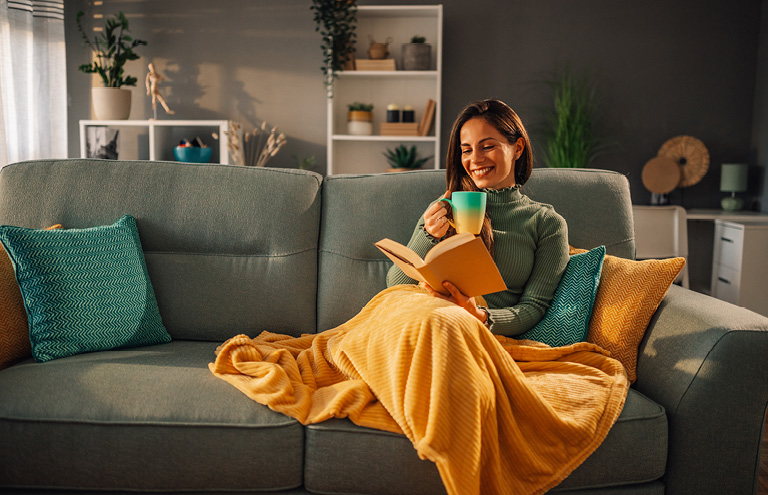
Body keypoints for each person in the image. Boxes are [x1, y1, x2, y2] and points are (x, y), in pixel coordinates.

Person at [386, 98, 569, 335]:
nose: (474, 159)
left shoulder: (546, 223)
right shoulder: (443, 209)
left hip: (475, 332)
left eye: (487, 146)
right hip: (419, 320)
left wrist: (479, 315)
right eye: (466, 150)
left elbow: (534, 307)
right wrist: (428, 235)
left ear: (518, 148)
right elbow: (396, 285)